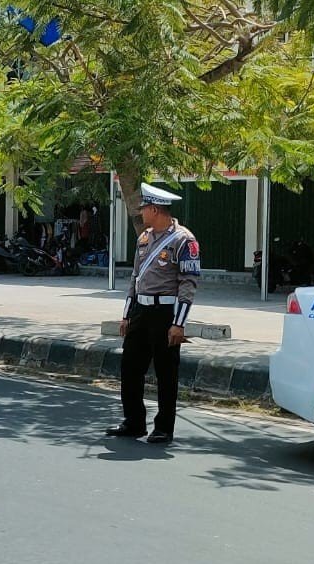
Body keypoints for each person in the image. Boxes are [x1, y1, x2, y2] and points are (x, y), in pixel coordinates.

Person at [106, 183, 201, 445]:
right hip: (141, 311)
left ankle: (163, 428)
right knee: (130, 367)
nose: (141, 213)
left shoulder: (184, 240)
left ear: (156, 209)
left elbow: (188, 284)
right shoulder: (144, 238)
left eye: (145, 208)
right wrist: (126, 315)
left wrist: (178, 323)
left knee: (166, 372)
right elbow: (135, 278)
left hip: (165, 312)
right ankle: (134, 422)